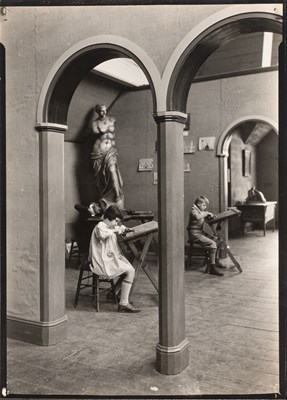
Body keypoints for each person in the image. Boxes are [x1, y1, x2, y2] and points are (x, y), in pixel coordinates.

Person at [88, 205, 141, 313]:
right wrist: (116, 230)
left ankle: (113, 293)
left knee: (128, 270)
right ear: (108, 217)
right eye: (116, 221)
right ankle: (123, 303)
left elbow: (117, 228)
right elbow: (103, 234)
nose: (116, 224)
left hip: (107, 257)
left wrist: (124, 229)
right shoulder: (100, 227)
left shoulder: (109, 226)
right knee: (130, 271)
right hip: (101, 261)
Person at [91, 104, 124, 211]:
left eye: (105, 111)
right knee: (102, 180)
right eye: (101, 111)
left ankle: (118, 197)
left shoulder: (112, 119)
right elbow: (97, 132)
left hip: (110, 151)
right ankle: (104, 201)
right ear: (97, 112)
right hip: (99, 153)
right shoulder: (95, 123)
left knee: (112, 170)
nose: (104, 113)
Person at [187, 195, 224, 276]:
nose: (205, 207)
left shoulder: (200, 211)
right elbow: (197, 216)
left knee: (217, 239)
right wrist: (206, 213)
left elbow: (203, 214)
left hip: (200, 233)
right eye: (204, 205)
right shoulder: (194, 210)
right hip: (195, 234)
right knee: (213, 244)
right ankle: (212, 268)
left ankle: (215, 261)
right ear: (198, 204)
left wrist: (210, 214)